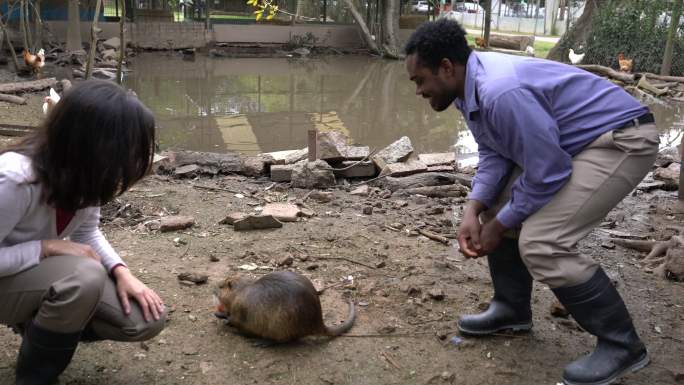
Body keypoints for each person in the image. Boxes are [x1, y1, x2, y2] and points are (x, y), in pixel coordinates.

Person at [405, 20, 658, 385]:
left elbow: (549, 172)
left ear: (446, 67)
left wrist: (499, 226)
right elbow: (495, 151)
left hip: (621, 139)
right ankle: (511, 309)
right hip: (574, 143)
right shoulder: (465, 89)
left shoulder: (500, 92)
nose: (418, 90)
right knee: (496, 206)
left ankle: (623, 345)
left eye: (420, 80)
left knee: (543, 242)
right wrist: (475, 208)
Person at [0, 80, 167, 385]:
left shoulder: (86, 175)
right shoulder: (14, 179)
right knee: (84, 276)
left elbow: (87, 232)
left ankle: (39, 327)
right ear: (93, 142)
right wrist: (46, 247)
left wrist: (121, 271)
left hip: (24, 274)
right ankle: (35, 378)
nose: (131, 159)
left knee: (145, 319)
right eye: (128, 147)